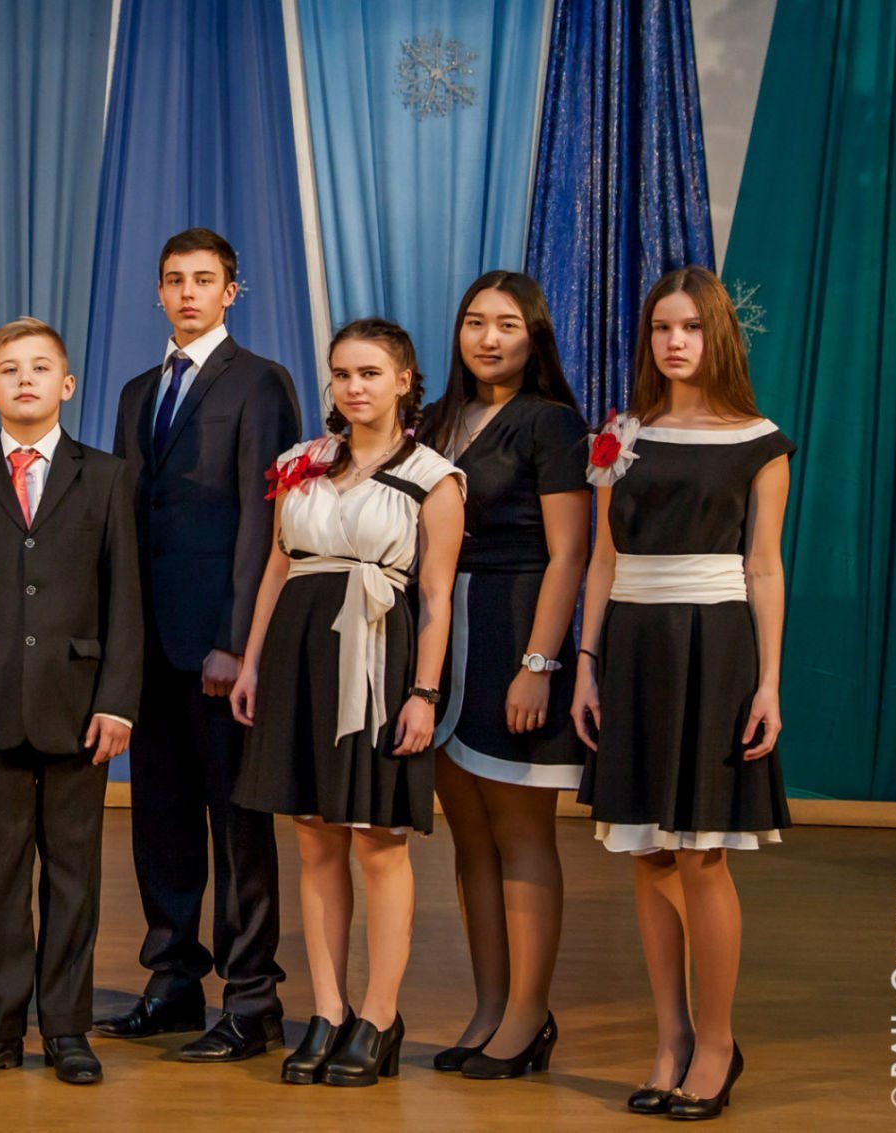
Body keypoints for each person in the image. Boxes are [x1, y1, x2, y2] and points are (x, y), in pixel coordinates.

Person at [571, 266, 793, 1121]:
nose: (675, 341)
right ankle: (669, 1039)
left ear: (718, 336)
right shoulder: (618, 436)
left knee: (702, 852)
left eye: (691, 327)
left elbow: (764, 566)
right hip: (633, 645)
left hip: (716, 644)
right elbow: (603, 558)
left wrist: (768, 682)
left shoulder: (761, 441)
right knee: (649, 850)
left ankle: (718, 1043)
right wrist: (586, 661)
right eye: (662, 327)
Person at [232, 318, 464, 1087]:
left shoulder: (434, 476)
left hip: (377, 664)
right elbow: (276, 569)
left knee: (377, 840)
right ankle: (328, 1010)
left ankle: (379, 1014)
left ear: (404, 380)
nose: (354, 386)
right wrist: (252, 663)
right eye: (342, 373)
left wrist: (424, 692)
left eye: (370, 372)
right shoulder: (298, 463)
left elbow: (437, 599)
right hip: (297, 660)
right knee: (314, 837)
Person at [0, 317, 142, 1085]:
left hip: (80, 707)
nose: (25, 379)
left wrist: (118, 700)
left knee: (74, 875)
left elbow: (125, 599)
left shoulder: (107, 477)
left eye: (40, 367)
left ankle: (68, 1028)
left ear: (66, 384)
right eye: (10, 369)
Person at [99, 227, 300, 1061]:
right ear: (158, 292)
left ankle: (252, 999)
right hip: (147, 645)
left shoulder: (260, 381)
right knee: (162, 819)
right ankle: (173, 981)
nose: (188, 292)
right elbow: (122, 519)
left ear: (231, 291)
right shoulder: (137, 391)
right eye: (175, 279)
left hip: (218, 646)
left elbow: (266, 518)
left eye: (204, 279)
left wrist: (235, 641)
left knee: (238, 824)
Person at [416, 272, 589, 1079]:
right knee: (470, 837)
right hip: (441, 639)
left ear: (536, 335)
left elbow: (570, 553)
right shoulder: (436, 420)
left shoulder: (551, 422)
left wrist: (538, 664)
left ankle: (528, 1015)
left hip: (514, 630)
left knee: (521, 833)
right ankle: (488, 1008)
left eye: (508, 324)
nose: (489, 338)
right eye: (475, 322)